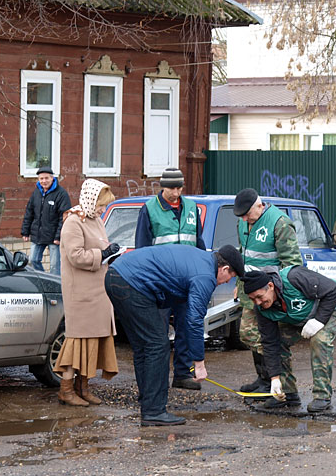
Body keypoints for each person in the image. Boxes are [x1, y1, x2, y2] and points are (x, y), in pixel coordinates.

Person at [104, 244, 245, 426]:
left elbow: (186, 312)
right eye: (230, 277)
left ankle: (149, 404)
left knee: (144, 347)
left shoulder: (200, 260)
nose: (226, 282)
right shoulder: (205, 276)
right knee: (157, 346)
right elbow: (194, 321)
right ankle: (154, 411)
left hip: (116, 275)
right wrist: (199, 363)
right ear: (224, 268)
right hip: (130, 283)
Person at [135, 167, 206, 391]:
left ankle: (183, 374)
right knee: (158, 331)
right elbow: (142, 248)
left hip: (186, 281)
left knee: (186, 327)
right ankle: (156, 377)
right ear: (162, 187)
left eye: (179, 188)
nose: (176, 193)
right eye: (171, 188)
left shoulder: (192, 208)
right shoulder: (149, 209)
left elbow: (198, 242)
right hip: (160, 283)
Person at [243, 267, 336, 413]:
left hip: (334, 305)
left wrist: (319, 320)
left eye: (259, 297)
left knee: (319, 340)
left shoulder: (295, 278)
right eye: (252, 299)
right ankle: (287, 393)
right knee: (279, 341)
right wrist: (274, 378)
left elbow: (332, 291)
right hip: (302, 317)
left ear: (270, 286)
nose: (257, 302)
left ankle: (322, 397)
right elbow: (270, 342)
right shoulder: (262, 309)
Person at [52, 179, 120, 407]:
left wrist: (111, 254)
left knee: (93, 341)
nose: (102, 210)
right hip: (80, 292)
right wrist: (102, 255)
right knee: (78, 340)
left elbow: (99, 249)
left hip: (98, 291)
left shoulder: (95, 220)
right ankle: (66, 389)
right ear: (91, 200)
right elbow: (75, 255)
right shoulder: (73, 222)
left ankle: (83, 387)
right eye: (101, 205)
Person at [233, 188, 302, 396]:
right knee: (248, 333)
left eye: (247, 214)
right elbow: (243, 255)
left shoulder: (280, 223)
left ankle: (282, 385)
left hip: (270, 293)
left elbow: (292, 264)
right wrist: (239, 282)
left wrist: (279, 293)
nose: (245, 219)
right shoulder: (243, 222)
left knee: (268, 338)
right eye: (241, 215)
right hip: (250, 290)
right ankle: (264, 378)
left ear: (260, 206)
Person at [21, 166, 72, 275]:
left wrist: (58, 236)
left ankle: (55, 287)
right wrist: (25, 232)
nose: (44, 181)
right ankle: (43, 280)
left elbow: (64, 216)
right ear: (38, 180)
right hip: (38, 235)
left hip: (54, 237)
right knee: (33, 260)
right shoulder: (36, 193)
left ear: (52, 178)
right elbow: (29, 212)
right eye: (41, 178)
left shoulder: (61, 194)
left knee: (55, 266)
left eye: (46, 178)